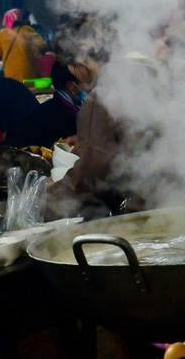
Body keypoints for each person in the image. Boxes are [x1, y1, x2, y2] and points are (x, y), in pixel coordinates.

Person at [41, 15, 138, 220]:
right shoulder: (140, 74)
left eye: (69, 62)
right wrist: (86, 137)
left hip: (138, 209)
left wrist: (49, 195)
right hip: (170, 197)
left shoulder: (102, 96)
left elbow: (88, 173)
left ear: (82, 56)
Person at [18, 59, 85, 148]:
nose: (88, 85)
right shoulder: (52, 116)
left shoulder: (76, 108)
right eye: (84, 80)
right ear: (72, 86)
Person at [0, 9, 49, 83]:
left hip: (10, 76)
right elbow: (43, 46)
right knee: (29, 93)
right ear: (20, 18)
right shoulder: (27, 30)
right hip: (28, 74)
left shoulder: (1, 34)